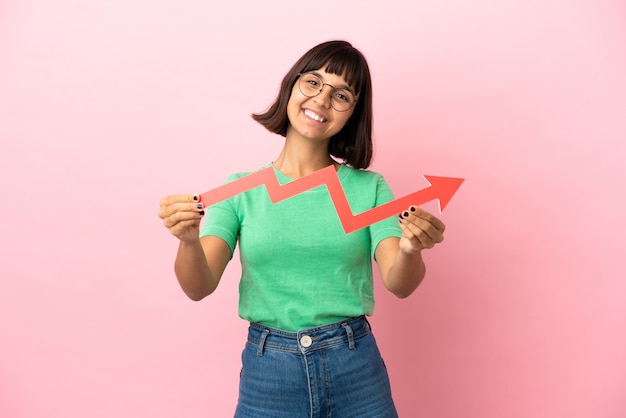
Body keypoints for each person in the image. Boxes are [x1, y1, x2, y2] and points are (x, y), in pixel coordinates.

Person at [158, 40, 446, 418]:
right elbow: (198, 286)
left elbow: (400, 283)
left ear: (353, 113)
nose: (322, 100)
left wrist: (411, 248)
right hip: (268, 373)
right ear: (291, 87)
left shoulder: (370, 188)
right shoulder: (240, 190)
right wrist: (188, 240)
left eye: (341, 94)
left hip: (355, 368)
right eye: (313, 83)